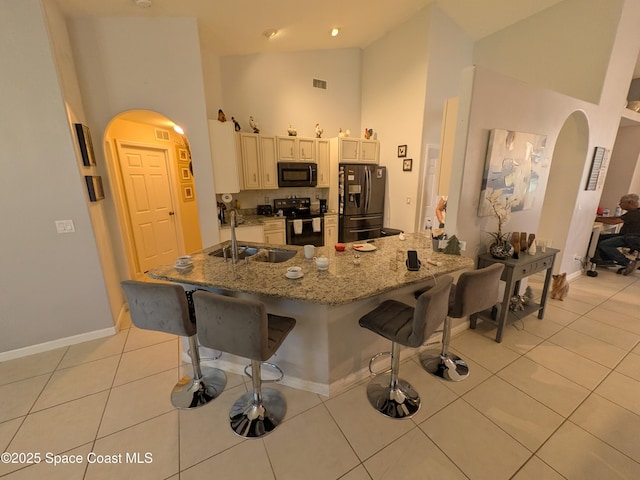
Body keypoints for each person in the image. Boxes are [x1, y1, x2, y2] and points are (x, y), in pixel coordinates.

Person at [594, 193, 640, 275]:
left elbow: (615, 221)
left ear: (630, 202)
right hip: (628, 236)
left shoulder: (634, 213)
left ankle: (627, 262)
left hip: (632, 238)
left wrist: (597, 219)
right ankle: (606, 259)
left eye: (621, 202)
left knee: (604, 244)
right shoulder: (635, 212)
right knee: (599, 237)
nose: (619, 204)